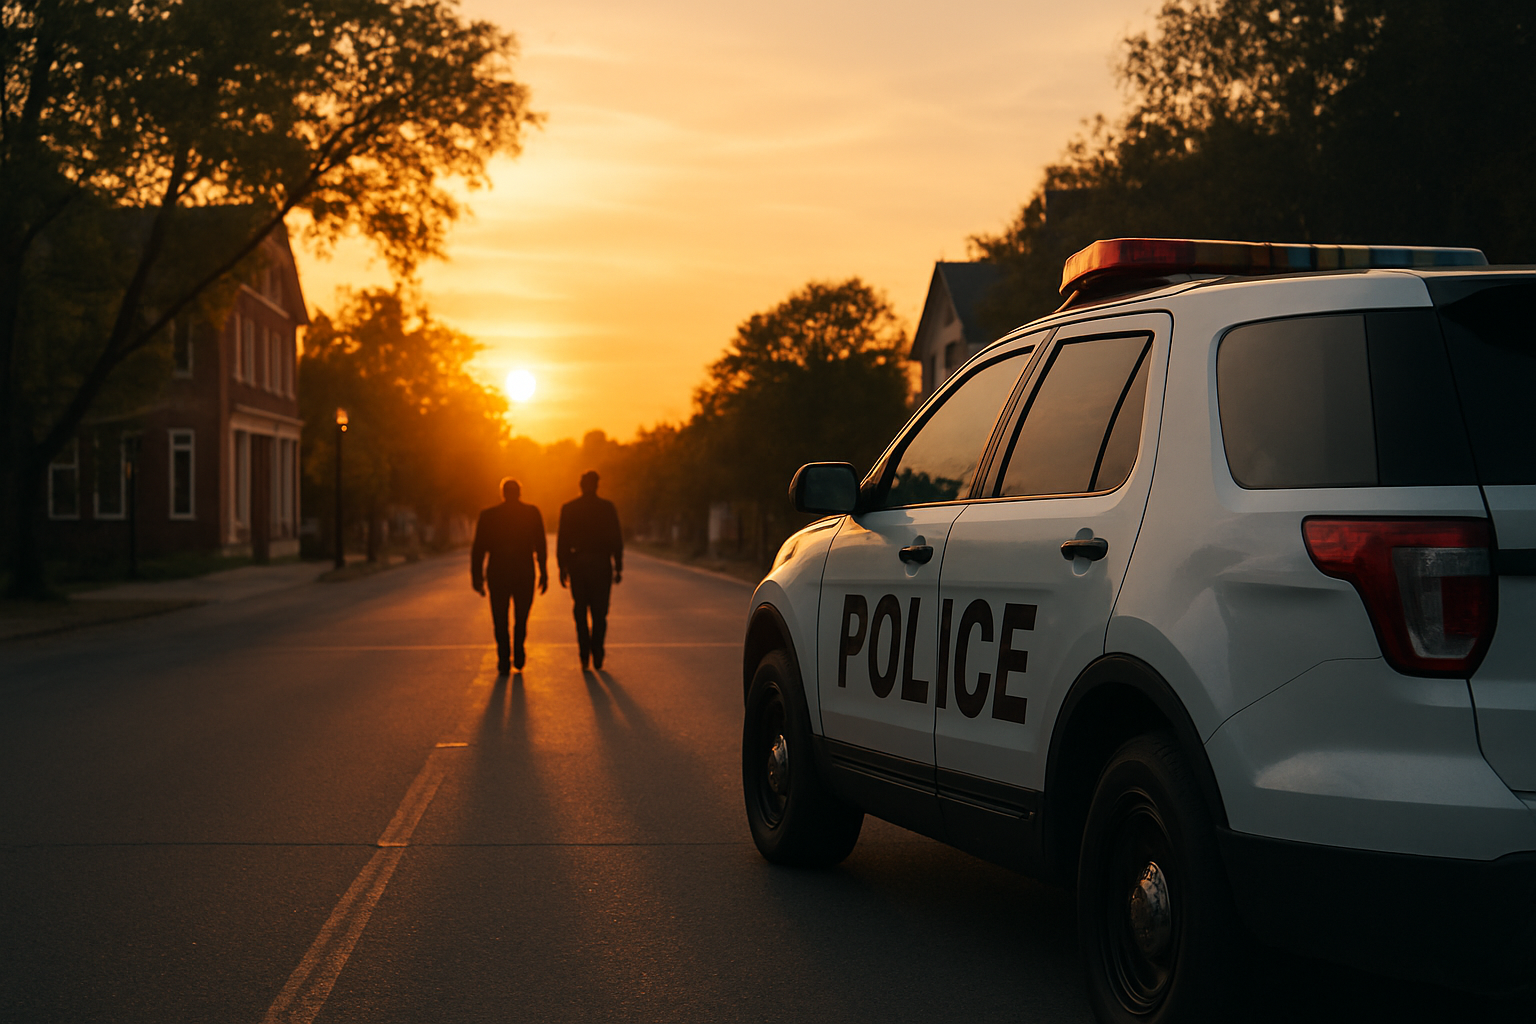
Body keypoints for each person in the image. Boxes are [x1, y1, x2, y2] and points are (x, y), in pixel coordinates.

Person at [471, 477, 548, 674]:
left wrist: (477, 577)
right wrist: (543, 572)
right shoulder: (531, 513)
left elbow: (478, 548)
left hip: (498, 569)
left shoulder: (488, 515)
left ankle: (503, 656)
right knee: (522, 615)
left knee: (500, 616)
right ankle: (519, 648)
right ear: (519, 493)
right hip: (524, 569)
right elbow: (541, 545)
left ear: (502, 493)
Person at [556, 470, 623, 670]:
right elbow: (616, 539)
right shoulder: (607, 508)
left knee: (580, 609)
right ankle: (598, 651)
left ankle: (584, 652)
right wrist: (618, 566)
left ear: (581, 485)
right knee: (600, 612)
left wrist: (562, 567)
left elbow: (563, 541)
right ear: (597, 485)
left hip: (578, 565)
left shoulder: (569, 509)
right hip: (601, 564)